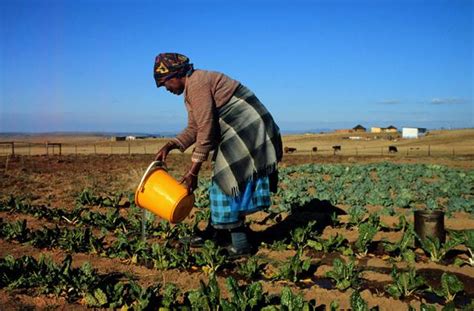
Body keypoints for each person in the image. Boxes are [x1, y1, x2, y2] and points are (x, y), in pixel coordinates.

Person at [153, 53, 282, 257]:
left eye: (164, 83)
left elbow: (206, 128)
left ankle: (240, 245)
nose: (165, 89)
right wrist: (171, 145)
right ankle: (215, 234)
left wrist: (193, 170)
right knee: (220, 181)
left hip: (249, 128)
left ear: (176, 75)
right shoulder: (192, 89)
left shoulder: (197, 84)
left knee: (227, 181)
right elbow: (195, 127)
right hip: (240, 128)